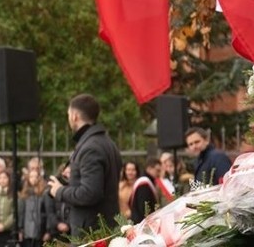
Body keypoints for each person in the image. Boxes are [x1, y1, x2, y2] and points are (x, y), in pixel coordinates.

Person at [47, 94, 122, 239]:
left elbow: (91, 193)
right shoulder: (106, 143)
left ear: (74, 116)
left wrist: (60, 191)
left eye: (68, 115)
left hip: (92, 233)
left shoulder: (90, 147)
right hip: (103, 229)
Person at [18, 168, 50, 247]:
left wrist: (48, 231)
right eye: (31, 177)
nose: (34, 179)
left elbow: (48, 213)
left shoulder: (44, 194)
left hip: (41, 232)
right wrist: (20, 230)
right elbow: (21, 214)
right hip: (27, 233)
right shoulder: (24, 195)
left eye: (36, 177)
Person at [129, 158, 161, 223]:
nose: (159, 173)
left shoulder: (146, 182)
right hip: (142, 223)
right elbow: (144, 208)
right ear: (149, 168)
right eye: (157, 170)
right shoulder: (144, 184)